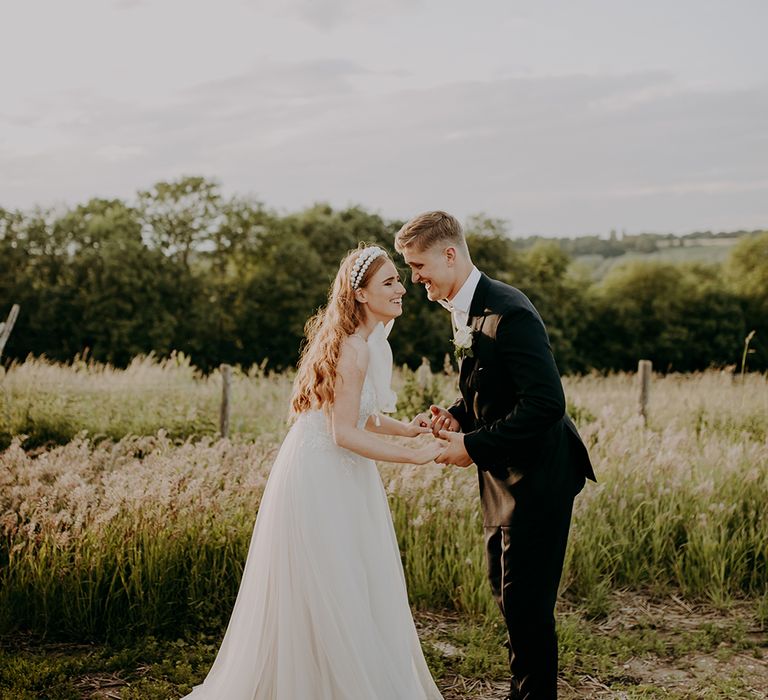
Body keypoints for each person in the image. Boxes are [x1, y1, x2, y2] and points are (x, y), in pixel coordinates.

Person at [182, 244, 445, 700]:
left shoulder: (364, 343)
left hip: (337, 470)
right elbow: (344, 433)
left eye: (400, 279)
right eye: (389, 282)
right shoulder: (353, 350)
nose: (402, 288)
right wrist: (415, 457)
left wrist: (409, 429)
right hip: (322, 475)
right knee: (332, 580)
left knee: (350, 577)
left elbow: (357, 414)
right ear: (360, 295)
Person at [396, 211, 596, 700]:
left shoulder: (510, 311)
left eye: (418, 265)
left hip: (539, 475)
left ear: (450, 254)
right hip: (506, 473)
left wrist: (472, 447)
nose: (414, 278)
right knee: (509, 595)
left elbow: (547, 404)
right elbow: (497, 390)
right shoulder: (468, 307)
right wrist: (459, 417)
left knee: (526, 604)